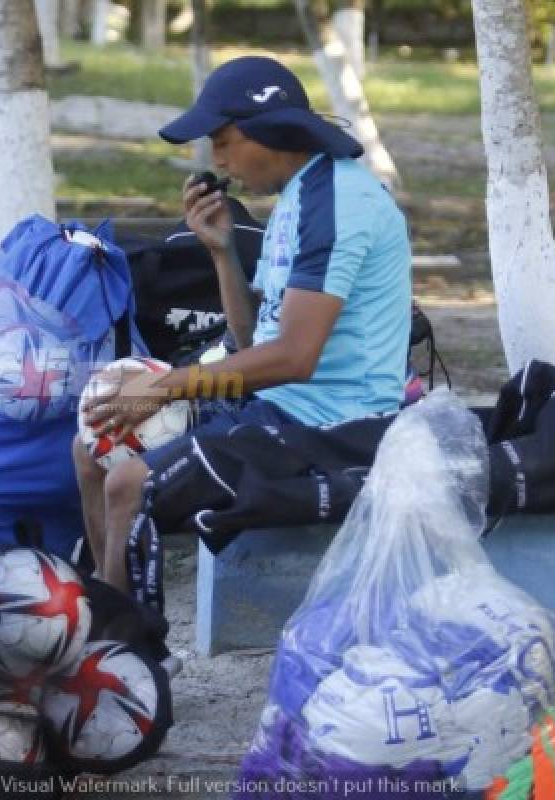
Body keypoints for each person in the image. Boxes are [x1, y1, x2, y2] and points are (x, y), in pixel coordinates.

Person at [74, 56, 412, 592]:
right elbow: (256, 342)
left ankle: (119, 636)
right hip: (278, 403)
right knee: (97, 429)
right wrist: (222, 252)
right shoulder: (299, 196)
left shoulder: (338, 203)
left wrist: (165, 388)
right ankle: (103, 597)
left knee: (129, 484)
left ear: (269, 130)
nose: (218, 160)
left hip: (335, 427)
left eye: (224, 140)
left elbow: (295, 358)